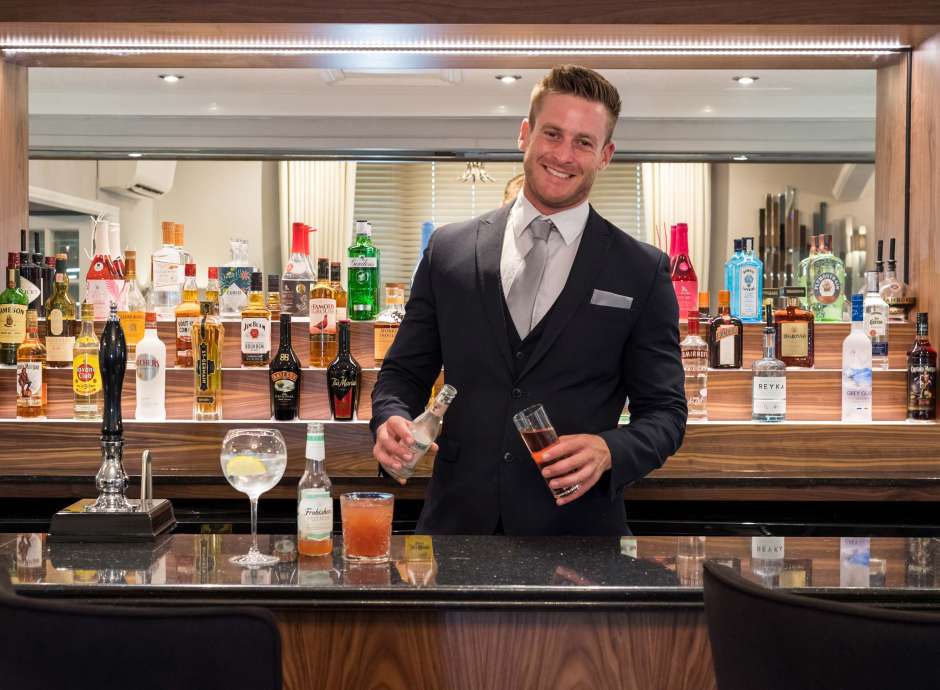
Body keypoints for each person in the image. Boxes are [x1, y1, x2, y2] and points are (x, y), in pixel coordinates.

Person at [371, 65, 687, 536]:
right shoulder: (449, 251)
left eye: (584, 142)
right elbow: (403, 372)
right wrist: (390, 417)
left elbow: (665, 412)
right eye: (552, 133)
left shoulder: (641, 270)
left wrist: (611, 451)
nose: (563, 154)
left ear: (606, 155)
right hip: (457, 530)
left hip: (579, 537)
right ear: (525, 134)